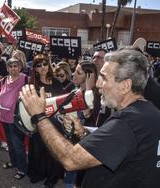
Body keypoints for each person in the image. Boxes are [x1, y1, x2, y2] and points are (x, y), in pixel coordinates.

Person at [20, 49, 160, 188]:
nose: (98, 84)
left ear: (125, 86)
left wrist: (39, 116)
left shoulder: (127, 123)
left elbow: (71, 160)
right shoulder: (149, 112)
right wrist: (82, 133)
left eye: (104, 78)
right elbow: (110, 149)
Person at [28, 54, 64, 187]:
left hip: (54, 122)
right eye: (38, 65)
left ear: (48, 65)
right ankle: (38, 173)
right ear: (35, 69)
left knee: (53, 151)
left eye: (44, 64)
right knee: (38, 149)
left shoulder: (55, 82)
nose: (42, 67)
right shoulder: (32, 84)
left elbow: (62, 102)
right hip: (38, 122)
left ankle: (52, 177)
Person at [0, 58, 28, 179]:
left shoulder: (25, 79)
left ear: (19, 67)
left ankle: (23, 169)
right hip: (4, 117)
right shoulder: (4, 80)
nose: (13, 68)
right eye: (10, 66)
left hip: (16, 119)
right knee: (10, 143)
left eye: (15, 66)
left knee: (18, 145)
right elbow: (1, 95)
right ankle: (14, 162)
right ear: (7, 68)